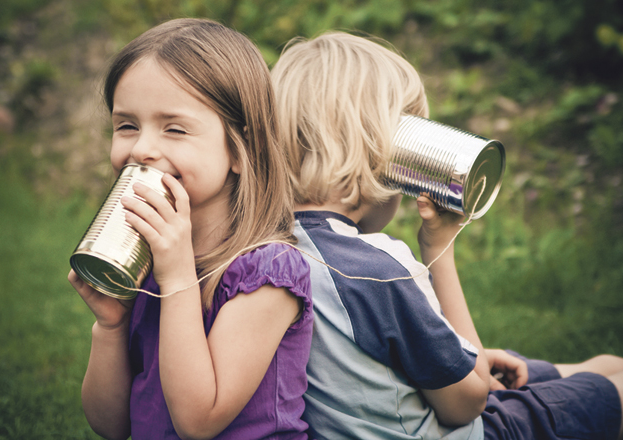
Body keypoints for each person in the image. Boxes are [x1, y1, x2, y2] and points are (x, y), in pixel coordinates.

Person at [271, 31, 623, 440]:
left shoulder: (268, 250)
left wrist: (468, 361)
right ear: (386, 155)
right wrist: (440, 250)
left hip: (399, 403)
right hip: (468, 430)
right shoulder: (377, 269)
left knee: (602, 363)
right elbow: (469, 402)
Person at [68, 18, 313, 440]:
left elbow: (198, 421)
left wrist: (178, 277)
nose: (142, 148)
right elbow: (111, 425)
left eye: (174, 129)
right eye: (127, 125)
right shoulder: (147, 263)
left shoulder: (268, 272)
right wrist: (109, 328)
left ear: (242, 148)